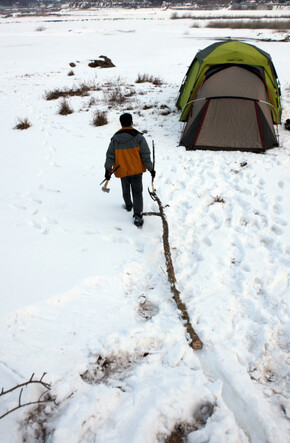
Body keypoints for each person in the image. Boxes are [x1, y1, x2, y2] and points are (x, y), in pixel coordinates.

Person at [104, 113, 155, 227]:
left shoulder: (115, 139)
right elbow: (145, 155)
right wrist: (151, 169)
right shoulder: (139, 137)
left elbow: (110, 156)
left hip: (122, 170)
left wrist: (107, 170)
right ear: (132, 123)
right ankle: (138, 215)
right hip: (136, 170)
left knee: (125, 189)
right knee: (137, 192)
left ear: (121, 124)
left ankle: (128, 205)